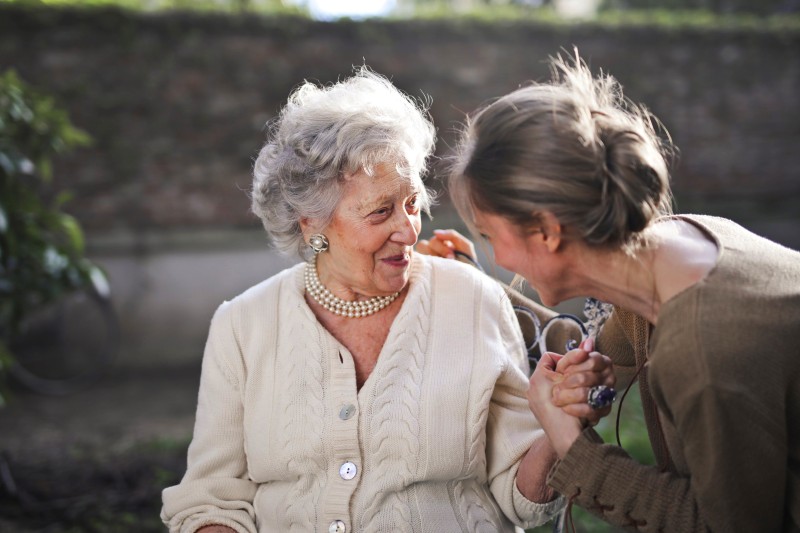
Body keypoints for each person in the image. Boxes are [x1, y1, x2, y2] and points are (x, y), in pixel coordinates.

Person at [160, 67, 614, 533]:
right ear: (310, 223)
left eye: (412, 203)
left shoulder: (471, 299)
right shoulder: (242, 324)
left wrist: (557, 424)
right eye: (381, 211)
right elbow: (211, 500)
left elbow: (525, 500)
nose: (409, 229)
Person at [436, 51, 800, 531]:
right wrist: (467, 281)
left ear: (545, 231)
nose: (498, 258)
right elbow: (587, 346)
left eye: (489, 236)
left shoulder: (703, 351)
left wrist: (573, 448)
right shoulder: (681, 245)